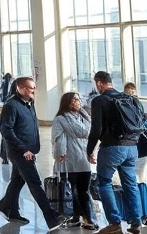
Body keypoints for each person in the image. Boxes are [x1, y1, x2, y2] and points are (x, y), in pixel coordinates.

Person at [0, 76, 68, 230]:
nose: (33, 90)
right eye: (29, 88)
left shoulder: (29, 103)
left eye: (34, 87)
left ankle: (7, 207)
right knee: (34, 183)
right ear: (19, 88)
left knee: (17, 180)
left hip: (29, 150)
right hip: (20, 152)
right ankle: (51, 218)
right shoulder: (11, 105)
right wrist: (23, 149)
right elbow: (6, 130)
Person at [86, 71, 144, 234]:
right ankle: (136, 222)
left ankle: (114, 223)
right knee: (130, 184)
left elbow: (96, 129)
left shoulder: (99, 100)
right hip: (132, 147)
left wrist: (90, 150)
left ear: (99, 83)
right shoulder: (128, 98)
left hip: (112, 147)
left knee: (104, 182)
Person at [52, 92, 98, 230]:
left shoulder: (84, 118)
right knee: (74, 191)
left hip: (84, 157)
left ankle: (79, 217)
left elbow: (90, 135)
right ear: (68, 102)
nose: (79, 102)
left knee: (83, 190)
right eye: (75, 100)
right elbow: (58, 138)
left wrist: (91, 152)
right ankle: (85, 219)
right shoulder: (60, 119)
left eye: (79, 99)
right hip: (69, 158)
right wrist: (60, 154)